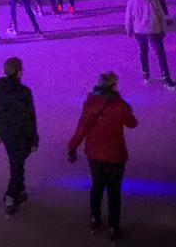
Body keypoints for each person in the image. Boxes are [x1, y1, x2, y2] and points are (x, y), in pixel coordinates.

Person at [67, 72, 138, 241]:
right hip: (115, 155)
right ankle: (113, 227)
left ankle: (94, 218)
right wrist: (127, 108)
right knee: (114, 192)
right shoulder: (120, 105)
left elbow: (82, 128)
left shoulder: (90, 104)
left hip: (94, 154)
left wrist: (72, 147)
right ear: (114, 85)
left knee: (97, 186)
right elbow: (132, 124)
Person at [0, 57, 38, 216]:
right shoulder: (23, 92)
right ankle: (10, 196)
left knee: (17, 162)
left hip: (6, 133)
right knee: (17, 165)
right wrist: (34, 139)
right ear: (19, 72)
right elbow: (30, 118)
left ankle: (20, 191)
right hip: (20, 134)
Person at [124, 0, 176, 89]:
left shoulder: (132, 0)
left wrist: (129, 30)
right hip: (153, 29)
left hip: (139, 31)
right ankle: (166, 77)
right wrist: (163, 29)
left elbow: (128, 17)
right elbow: (161, 15)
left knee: (143, 52)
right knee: (160, 54)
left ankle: (145, 74)